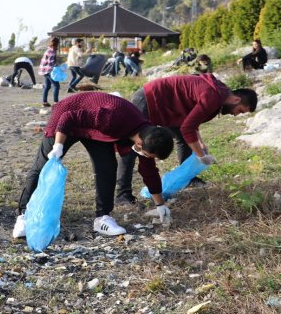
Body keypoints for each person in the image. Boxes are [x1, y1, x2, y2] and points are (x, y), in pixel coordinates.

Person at [12, 92, 175, 238]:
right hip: (66, 116)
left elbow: (149, 171)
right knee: (43, 165)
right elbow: (68, 117)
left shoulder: (148, 135)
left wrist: (160, 204)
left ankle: (102, 218)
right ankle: (23, 216)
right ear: (139, 144)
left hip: (94, 129)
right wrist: (58, 146)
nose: (146, 157)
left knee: (107, 167)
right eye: (148, 154)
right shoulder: (113, 118)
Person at [116, 74, 258, 204]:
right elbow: (187, 128)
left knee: (185, 140)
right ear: (236, 99)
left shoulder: (219, 94)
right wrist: (201, 156)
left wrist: (200, 143)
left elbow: (192, 119)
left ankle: (188, 178)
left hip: (169, 108)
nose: (236, 115)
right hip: (149, 99)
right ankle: (123, 194)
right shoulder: (214, 97)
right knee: (133, 147)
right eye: (239, 110)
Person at [39, 37, 61, 107]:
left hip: (44, 70)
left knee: (47, 86)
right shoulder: (52, 51)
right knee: (56, 86)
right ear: (57, 43)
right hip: (49, 70)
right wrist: (57, 66)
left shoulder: (48, 49)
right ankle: (56, 102)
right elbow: (51, 62)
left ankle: (44, 102)